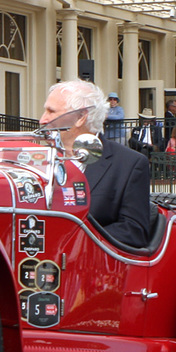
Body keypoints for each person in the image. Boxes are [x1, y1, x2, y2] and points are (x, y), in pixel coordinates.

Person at [39, 79, 150, 249]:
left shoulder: (129, 164)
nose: (42, 120)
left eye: (51, 112)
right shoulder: (36, 160)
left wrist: (72, 241)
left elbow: (134, 231)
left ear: (80, 117)